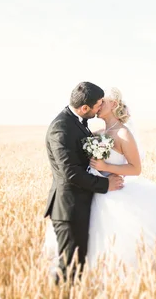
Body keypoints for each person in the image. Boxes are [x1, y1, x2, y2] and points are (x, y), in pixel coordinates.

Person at [44, 86, 156, 274]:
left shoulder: (123, 133)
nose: (99, 106)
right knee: (87, 248)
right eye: (97, 103)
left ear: (113, 104)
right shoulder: (95, 133)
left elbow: (135, 168)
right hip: (92, 194)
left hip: (112, 192)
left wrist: (106, 168)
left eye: (102, 102)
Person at [43, 82, 124, 283]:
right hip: (69, 209)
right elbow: (71, 172)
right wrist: (106, 185)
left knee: (78, 266)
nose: (100, 108)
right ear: (85, 108)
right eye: (98, 105)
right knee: (68, 268)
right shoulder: (61, 128)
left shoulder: (77, 121)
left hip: (80, 205)